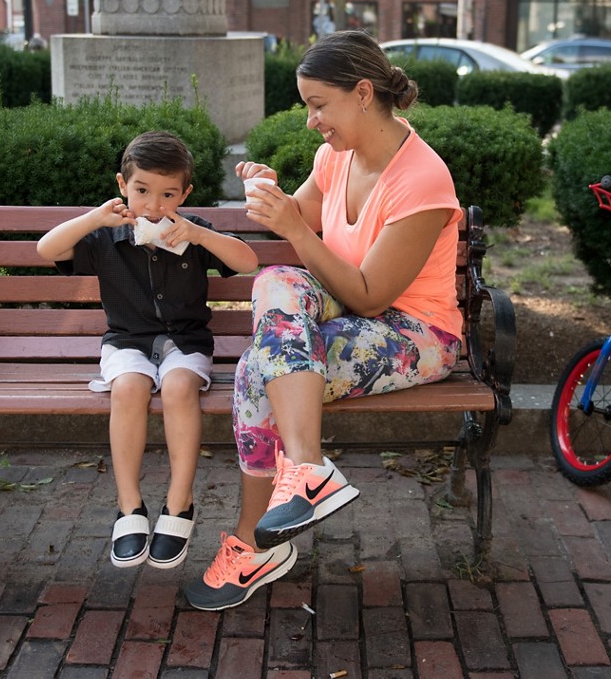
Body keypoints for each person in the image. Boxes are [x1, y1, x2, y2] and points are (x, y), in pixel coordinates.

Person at [185, 31, 463, 611]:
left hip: (417, 332)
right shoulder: (335, 157)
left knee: (258, 370)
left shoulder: (422, 181)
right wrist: (272, 196)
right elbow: (306, 217)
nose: (312, 122)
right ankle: (308, 471)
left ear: (363, 93)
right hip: (350, 308)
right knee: (273, 282)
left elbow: (368, 295)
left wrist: (291, 228)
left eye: (318, 105)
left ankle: (256, 544)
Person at [36, 130, 258, 570]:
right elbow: (47, 248)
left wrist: (197, 233)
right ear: (123, 185)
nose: (153, 206)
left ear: (185, 194)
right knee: (129, 389)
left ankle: (179, 502)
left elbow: (246, 262)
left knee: (178, 389)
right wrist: (95, 219)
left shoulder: (191, 233)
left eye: (167, 194)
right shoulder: (106, 236)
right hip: (127, 341)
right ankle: (129, 506)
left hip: (185, 343)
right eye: (141, 191)